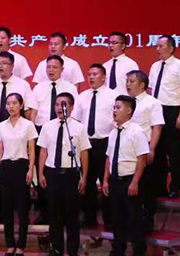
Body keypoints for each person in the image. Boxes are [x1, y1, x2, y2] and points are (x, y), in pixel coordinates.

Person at [25, 54, 78, 224]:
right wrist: (31, 133)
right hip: (43, 130)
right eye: (48, 67)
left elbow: (75, 112)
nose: (51, 70)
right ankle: (44, 211)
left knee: (60, 170)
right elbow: (33, 111)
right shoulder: (39, 88)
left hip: (64, 129)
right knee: (43, 171)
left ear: (62, 69)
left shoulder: (70, 88)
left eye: (55, 67)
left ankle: (64, 214)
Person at [0, 51, 33, 224]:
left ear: (12, 66)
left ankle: (21, 212)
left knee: (19, 177)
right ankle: (0, 211)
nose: (0, 66)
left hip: (18, 133)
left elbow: (28, 110)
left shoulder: (22, 85)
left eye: (4, 63)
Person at [36, 93, 91, 256]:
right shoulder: (47, 126)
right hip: (52, 174)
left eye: (64, 104)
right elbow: (43, 151)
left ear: (72, 108)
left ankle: (73, 250)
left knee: (72, 216)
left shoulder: (78, 128)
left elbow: (84, 153)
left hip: (71, 175)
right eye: (57, 104)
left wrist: (84, 177)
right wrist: (41, 173)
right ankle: (56, 249)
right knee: (54, 215)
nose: (60, 108)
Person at [102, 96, 149, 256]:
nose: (114, 111)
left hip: (129, 179)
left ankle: (138, 251)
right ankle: (118, 250)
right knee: (117, 219)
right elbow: (109, 158)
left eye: (118, 108)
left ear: (129, 111)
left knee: (134, 219)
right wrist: (105, 180)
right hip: (115, 180)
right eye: (114, 108)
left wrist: (134, 182)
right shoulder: (113, 132)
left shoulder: (137, 131)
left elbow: (141, 159)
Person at [72, 64, 116, 227]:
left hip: (105, 142)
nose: (91, 77)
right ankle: (89, 217)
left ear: (104, 77)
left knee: (107, 181)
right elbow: (76, 120)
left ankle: (109, 218)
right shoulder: (82, 96)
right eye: (89, 74)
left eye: (95, 74)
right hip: (86, 144)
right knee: (87, 181)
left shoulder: (113, 96)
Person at [149, 35, 180, 199]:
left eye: (161, 46)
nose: (157, 49)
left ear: (171, 48)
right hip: (156, 109)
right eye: (157, 46)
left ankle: (174, 187)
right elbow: (151, 89)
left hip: (172, 110)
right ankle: (160, 187)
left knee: (173, 151)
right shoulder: (154, 66)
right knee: (158, 150)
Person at [0, 93, 37, 256]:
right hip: (5, 167)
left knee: (22, 208)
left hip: (21, 166)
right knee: (6, 208)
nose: (11, 106)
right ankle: (10, 244)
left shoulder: (28, 125)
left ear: (21, 105)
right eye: (8, 103)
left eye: (14, 103)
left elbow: (32, 149)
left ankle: (21, 245)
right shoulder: (1, 126)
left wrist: (30, 169)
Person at [126, 70, 164, 232]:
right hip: (127, 149)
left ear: (142, 85)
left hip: (144, 148)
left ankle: (147, 221)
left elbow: (156, 127)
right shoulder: (125, 102)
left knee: (147, 188)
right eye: (127, 81)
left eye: (131, 81)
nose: (128, 84)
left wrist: (151, 148)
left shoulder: (152, 103)